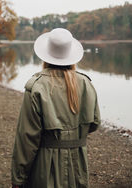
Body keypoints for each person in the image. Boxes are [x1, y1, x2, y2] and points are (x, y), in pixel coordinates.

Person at [11, 28, 101, 188]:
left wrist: (19, 177)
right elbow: (94, 123)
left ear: (46, 55)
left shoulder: (37, 86)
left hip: (45, 165)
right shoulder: (86, 83)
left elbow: (27, 138)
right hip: (78, 164)